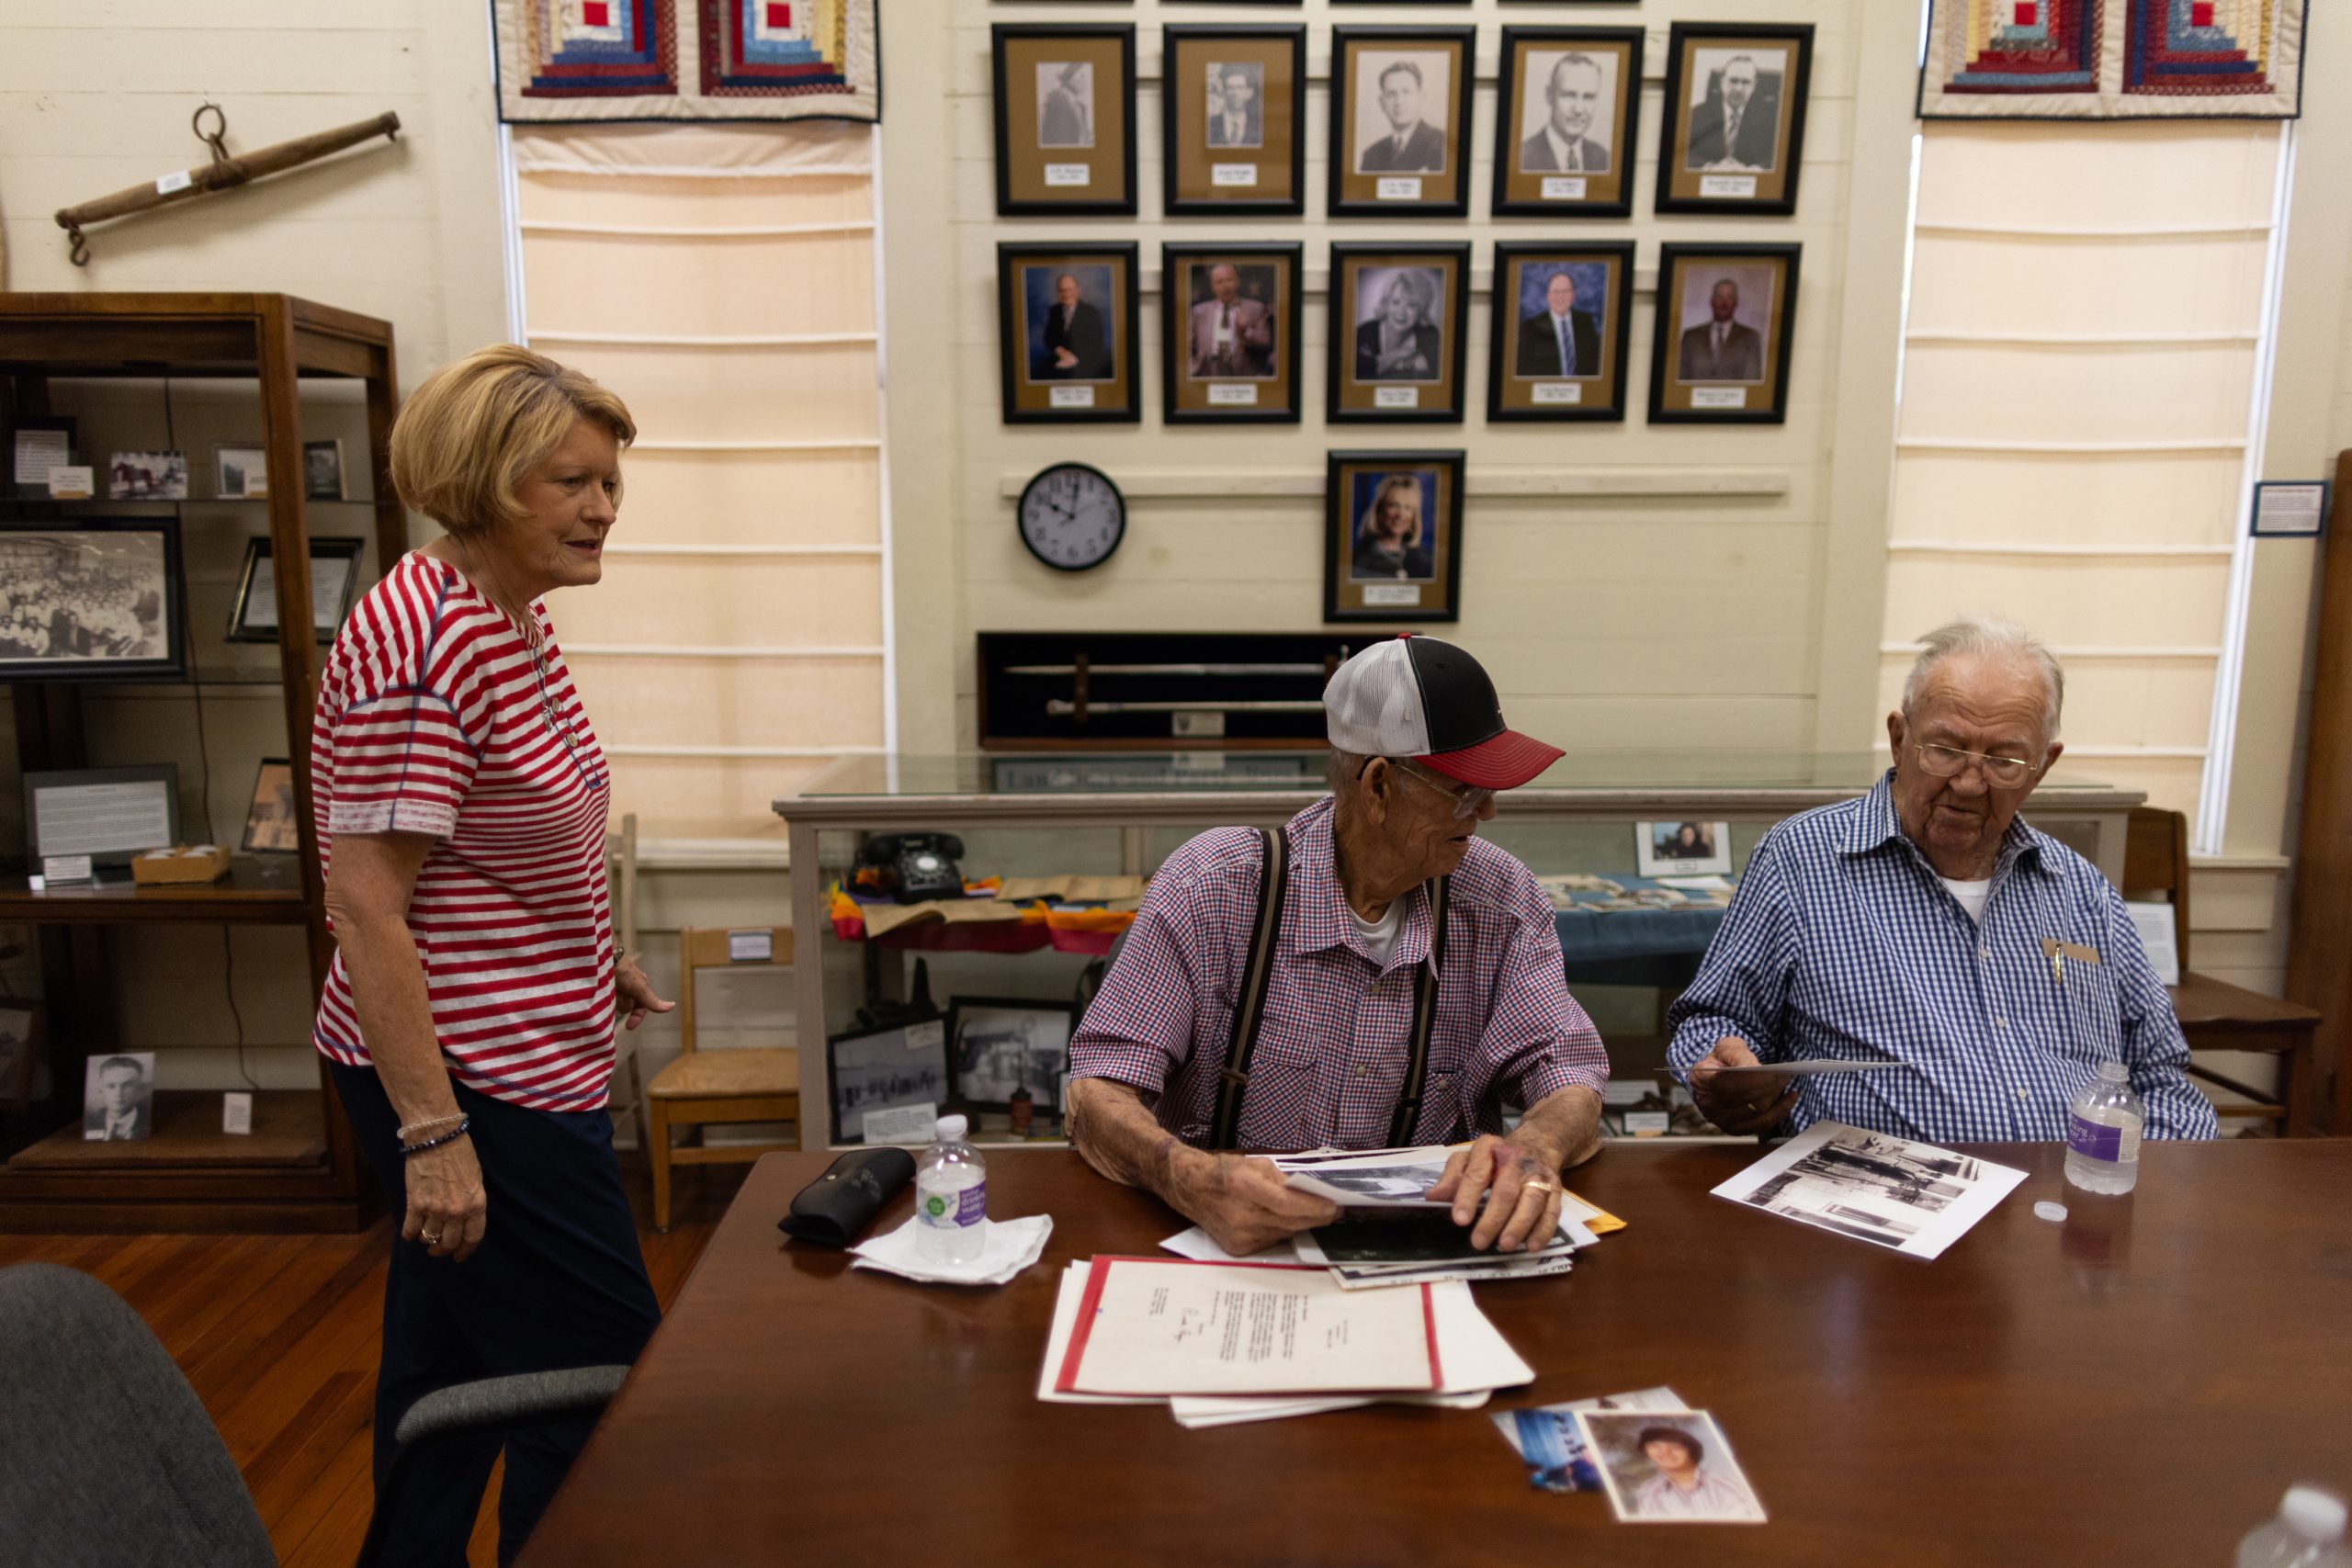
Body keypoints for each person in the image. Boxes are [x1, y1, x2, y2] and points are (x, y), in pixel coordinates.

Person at [311, 344, 676, 1565]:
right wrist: (433, 1134)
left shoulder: (507, 619)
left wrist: (589, 952)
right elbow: (366, 903)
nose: (601, 507)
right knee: (600, 1382)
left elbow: (507, 833)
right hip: (476, 1086)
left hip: (528, 1049)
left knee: (449, 1376)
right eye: (569, 481)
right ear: (479, 481)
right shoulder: (421, 639)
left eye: (610, 482)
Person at [1066, 636, 1608, 1258]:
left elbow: (1568, 1075)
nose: (1487, 809)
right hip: (1227, 1248)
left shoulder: (1501, 903)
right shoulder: (1212, 889)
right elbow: (1096, 1093)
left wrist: (1533, 1148)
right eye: (1464, 789)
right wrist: (1186, 1175)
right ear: (1378, 785)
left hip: (1419, 1255)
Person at [1668, 615, 2220, 1145]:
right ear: (1899, 738)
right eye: (1946, 751)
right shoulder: (1804, 858)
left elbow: (2162, 1082)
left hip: (2065, 1205)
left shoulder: (2081, 890)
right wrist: (1718, 1068)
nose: (1970, 783)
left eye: (2005, 760)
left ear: (2043, 767)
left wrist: (2130, 1196)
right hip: (1873, 1203)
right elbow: (1715, 1018)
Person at [1629, 1427, 1759, 1519]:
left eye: (1675, 1447)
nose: (1665, 1453)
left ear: (1692, 1452)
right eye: (1655, 1447)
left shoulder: (1730, 1485)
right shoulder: (1648, 1492)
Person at [1521, 53, 1611, 174]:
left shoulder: (1604, 159)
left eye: (1588, 97)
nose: (1578, 109)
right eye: (1569, 95)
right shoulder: (1523, 156)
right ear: (1549, 95)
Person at [1686, 53, 1777, 170]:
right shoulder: (1696, 114)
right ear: (1722, 82)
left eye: (1745, 82)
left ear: (1754, 85)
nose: (1738, 88)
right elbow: (1683, 154)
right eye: (1733, 81)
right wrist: (1710, 168)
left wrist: (1755, 169)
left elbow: (1776, 156)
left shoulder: (1770, 118)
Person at [1188, 263, 1275, 379]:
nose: (1225, 285)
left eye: (1229, 280)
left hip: (1244, 373)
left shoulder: (1255, 308)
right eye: (1219, 282)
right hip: (1207, 372)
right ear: (1213, 287)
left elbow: (1266, 341)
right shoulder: (1199, 311)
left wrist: (1246, 331)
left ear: (1237, 282)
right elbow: (1185, 345)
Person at [1354, 270, 1442, 383]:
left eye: (1411, 305)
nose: (1401, 312)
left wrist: (1379, 362)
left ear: (1421, 310)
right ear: (1386, 304)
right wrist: (1398, 355)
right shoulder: (1363, 333)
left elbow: (1435, 375)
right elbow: (1356, 373)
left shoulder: (1431, 335)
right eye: (1396, 302)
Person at [1361, 59, 1445, 173]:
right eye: (1391, 94)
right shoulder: (1371, 155)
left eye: (1406, 92)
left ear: (1421, 97)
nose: (1399, 102)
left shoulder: (1441, 144)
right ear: (1382, 102)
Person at [1513, 270, 1601, 380]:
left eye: (1566, 291)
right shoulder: (1530, 326)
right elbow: (1523, 370)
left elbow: (1595, 363)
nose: (1561, 297)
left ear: (1573, 295)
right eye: (1556, 292)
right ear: (1548, 296)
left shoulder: (1586, 322)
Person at [1677, 278, 1764, 382]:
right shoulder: (1690, 336)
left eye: (1729, 297)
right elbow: (1681, 378)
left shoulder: (1750, 337)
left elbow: (1752, 380)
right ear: (1712, 301)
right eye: (1719, 296)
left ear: (1736, 302)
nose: (1724, 302)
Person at [1351, 474, 1434, 581]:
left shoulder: (1425, 562)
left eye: (1408, 508)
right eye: (1393, 505)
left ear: (1414, 517)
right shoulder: (1358, 559)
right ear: (1379, 511)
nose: (1400, 514)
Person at [1040, 273, 1110, 380]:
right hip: (1060, 358)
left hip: (1086, 361)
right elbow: (1048, 337)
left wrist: (1074, 358)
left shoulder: (1091, 312)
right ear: (1058, 293)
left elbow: (1097, 343)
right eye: (1062, 290)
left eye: (1070, 289)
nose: (1066, 294)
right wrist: (1059, 350)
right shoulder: (1054, 311)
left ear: (1078, 290)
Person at [83, 1055, 152, 1140]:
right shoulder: (92, 1121)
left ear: (139, 1087)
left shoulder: (147, 1121)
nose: (118, 1093)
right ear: (100, 1089)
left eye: (127, 1086)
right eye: (111, 1086)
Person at [1039, 62, 1092, 148]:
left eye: (1085, 76)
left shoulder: (1082, 107)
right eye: (1081, 76)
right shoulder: (1056, 100)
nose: (1085, 80)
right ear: (1070, 78)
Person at [1206, 63, 1260, 148]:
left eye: (1240, 87)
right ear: (1223, 92)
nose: (1235, 93)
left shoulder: (1258, 125)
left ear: (1249, 93)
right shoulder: (1210, 125)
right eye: (1230, 88)